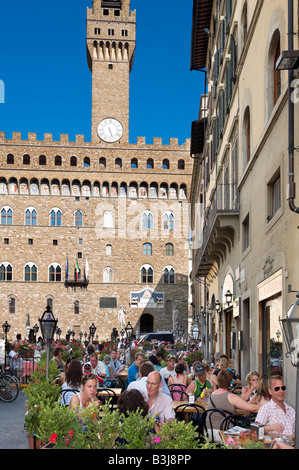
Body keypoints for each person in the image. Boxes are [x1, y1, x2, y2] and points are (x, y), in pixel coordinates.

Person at [206, 369, 260, 442]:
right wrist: (268, 406)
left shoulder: (212, 395)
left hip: (208, 432)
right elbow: (252, 408)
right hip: (224, 433)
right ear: (230, 382)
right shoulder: (231, 397)